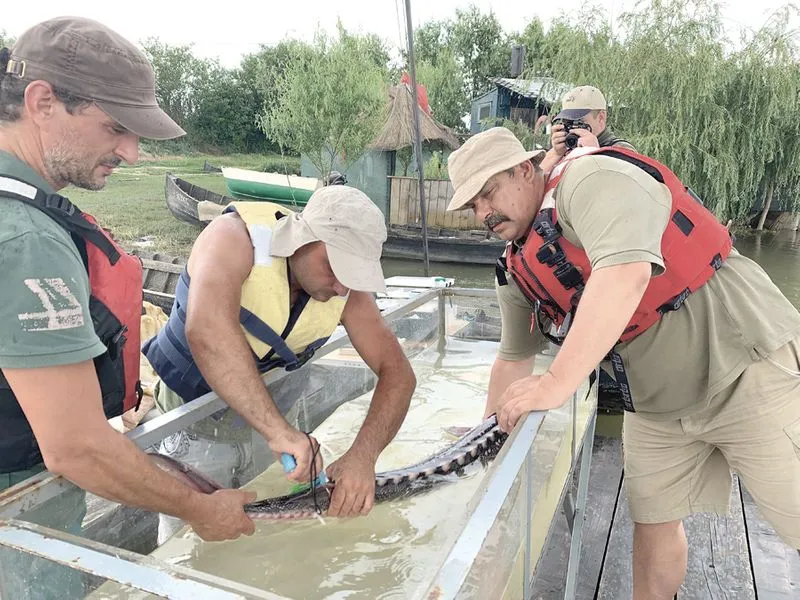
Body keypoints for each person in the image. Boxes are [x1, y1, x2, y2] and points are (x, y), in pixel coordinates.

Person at [445, 126, 800, 599]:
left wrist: (556, 381)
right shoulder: (515, 267)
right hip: (657, 406)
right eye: (473, 206)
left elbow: (625, 273)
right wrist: (485, 443)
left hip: (745, 367)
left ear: (525, 170)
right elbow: (512, 360)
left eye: (488, 193)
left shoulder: (589, 180)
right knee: (651, 527)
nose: (484, 213)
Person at [0, 15, 259, 566]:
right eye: (116, 127)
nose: (132, 152)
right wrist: (198, 507)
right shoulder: (27, 239)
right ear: (43, 102)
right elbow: (77, 447)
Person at [142, 186, 416, 540]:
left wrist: (363, 457)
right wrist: (280, 432)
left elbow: (399, 374)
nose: (341, 287)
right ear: (302, 237)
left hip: (267, 430)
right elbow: (206, 331)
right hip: (191, 420)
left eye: (352, 275)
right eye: (334, 267)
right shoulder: (232, 238)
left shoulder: (344, 291)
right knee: (188, 539)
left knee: (261, 537)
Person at [548, 84, 634, 162]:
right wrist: (556, 154)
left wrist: (594, 152)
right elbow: (537, 175)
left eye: (579, 122)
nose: (573, 129)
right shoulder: (565, 149)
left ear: (601, 117)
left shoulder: (621, 150)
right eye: (567, 122)